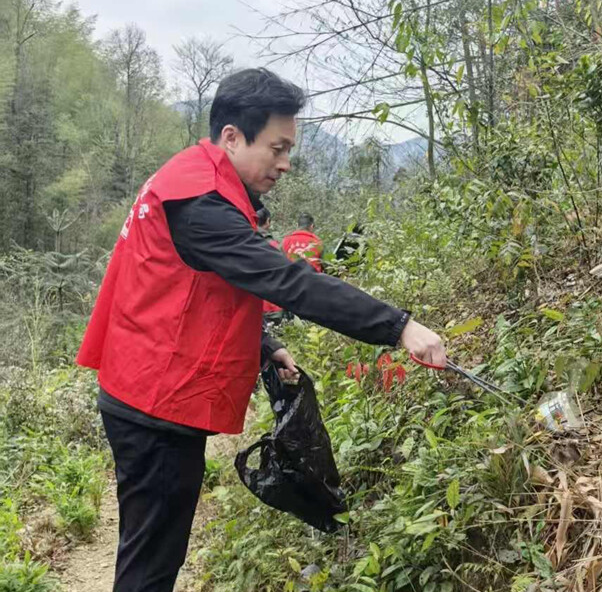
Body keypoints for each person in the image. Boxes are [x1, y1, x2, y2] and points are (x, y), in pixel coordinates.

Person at [75, 67, 446, 592]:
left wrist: (263, 343)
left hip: (146, 389)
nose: (285, 163)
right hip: (153, 405)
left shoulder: (192, 181)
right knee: (151, 564)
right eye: (276, 148)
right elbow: (287, 281)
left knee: (153, 548)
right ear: (232, 136)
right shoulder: (199, 204)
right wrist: (400, 327)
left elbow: (191, 289)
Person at [256, 207, 286, 320]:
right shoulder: (275, 246)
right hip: (273, 305)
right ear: (268, 221)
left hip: (249, 306)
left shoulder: (242, 243)